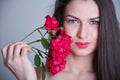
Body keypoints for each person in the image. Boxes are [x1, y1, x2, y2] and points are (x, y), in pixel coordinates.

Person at [1, 0, 120, 80]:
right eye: (73, 21)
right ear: (60, 22)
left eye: (94, 22)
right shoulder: (34, 75)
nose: (82, 34)